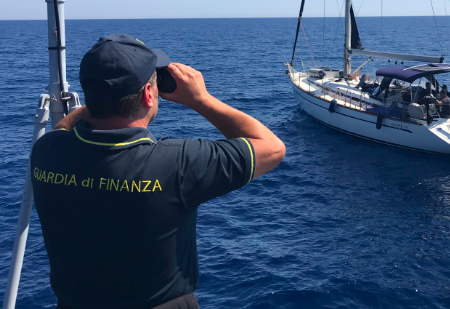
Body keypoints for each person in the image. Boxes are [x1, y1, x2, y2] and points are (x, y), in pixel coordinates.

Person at [30, 34, 286, 309]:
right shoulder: (177, 164)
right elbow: (272, 149)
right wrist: (201, 99)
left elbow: (61, 130)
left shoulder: (46, 153)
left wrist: (99, 102)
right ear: (148, 94)